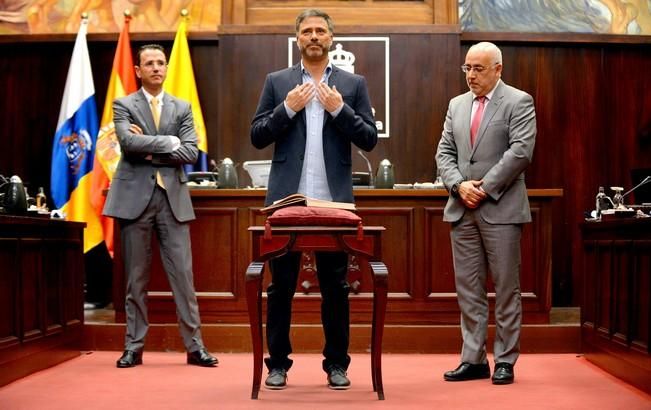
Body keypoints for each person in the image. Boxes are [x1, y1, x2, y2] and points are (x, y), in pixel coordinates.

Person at [250, 9, 377, 390]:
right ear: (298, 39)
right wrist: (287, 107)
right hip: (287, 199)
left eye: (321, 30)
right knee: (280, 286)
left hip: (333, 201)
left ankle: (336, 364)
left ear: (332, 39)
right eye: (307, 31)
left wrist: (340, 109)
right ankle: (278, 365)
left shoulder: (353, 84)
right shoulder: (278, 82)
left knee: (335, 286)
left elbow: (368, 138)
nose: (314, 36)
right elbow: (257, 135)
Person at [103, 44, 218, 368]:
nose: (156, 67)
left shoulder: (182, 107)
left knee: (183, 276)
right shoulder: (123, 104)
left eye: (161, 62)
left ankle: (195, 348)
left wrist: (148, 148)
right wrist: (169, 142)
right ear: (138, 70)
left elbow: (191, 152)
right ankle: (133, 347)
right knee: (135, 280)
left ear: (166, 68)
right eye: (149, 63)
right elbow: (127, 143)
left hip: (172, 199)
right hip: (133, 200)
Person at [435, 41, 536, 385]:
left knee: (507, 288)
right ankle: (474, 359)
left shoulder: (519, 101)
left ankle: (505, 360)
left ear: (498, 69)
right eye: (467, 68)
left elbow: (521, 152)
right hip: (462, 208)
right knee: (469, 290)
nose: (471, 75)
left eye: (478, 69)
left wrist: (484, 187)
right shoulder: (456, 105)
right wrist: (459, 186)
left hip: (501, 207)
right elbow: (444, 153)